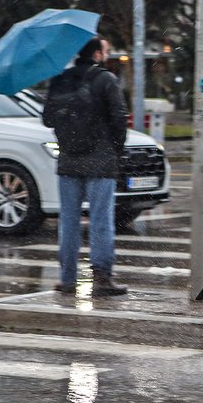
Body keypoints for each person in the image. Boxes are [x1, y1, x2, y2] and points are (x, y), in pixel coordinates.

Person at [42, 37, 128, 297]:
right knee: (101, 221)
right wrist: (115, 150)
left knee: (68, 222)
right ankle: (102, 278)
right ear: (97, 54)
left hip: (68, 161)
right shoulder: (106, 79)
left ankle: (67, 279)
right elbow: (119, 118)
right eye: (106, 50)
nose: (108, 54)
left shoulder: (60, 80)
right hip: (100, 162)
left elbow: (47, 119)